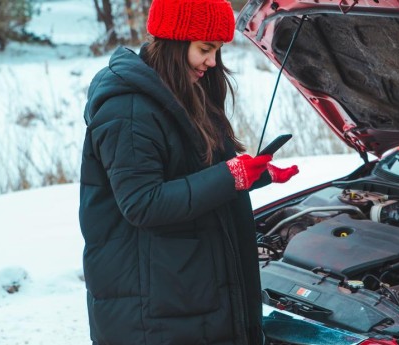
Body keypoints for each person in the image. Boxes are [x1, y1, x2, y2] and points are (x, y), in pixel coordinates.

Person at [78, 0, 299, 343]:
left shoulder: (182, 92)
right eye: (205, 49)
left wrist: (254, 174)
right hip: (153, 310)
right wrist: (231, 176)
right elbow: (143, 203)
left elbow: (192, 176)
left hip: (185, 292)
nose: (212, 62)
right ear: (174, 42)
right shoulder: (129, 110)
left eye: (218, 50)